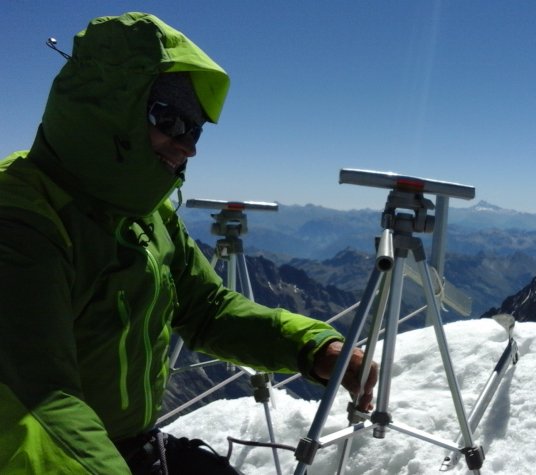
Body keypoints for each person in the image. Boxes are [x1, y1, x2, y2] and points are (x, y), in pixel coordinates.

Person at [0, 12, 377, 474]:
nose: (188, 146)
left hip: (129, 447)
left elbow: (206, 309)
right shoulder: (20, 220)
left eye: (195, 128)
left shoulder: (147, 215)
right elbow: (36, 403)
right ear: (106, 109)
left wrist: (312, 347)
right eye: (170, 120)